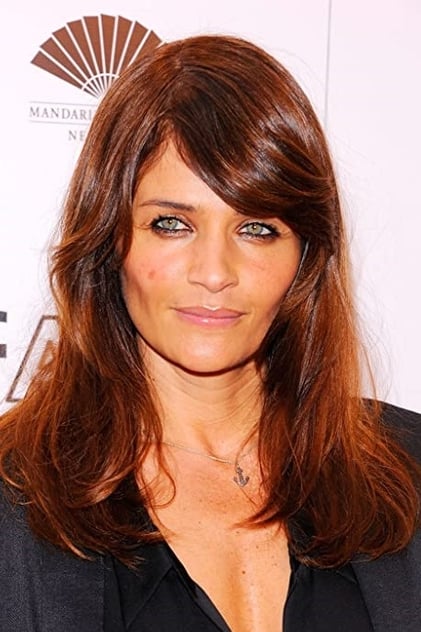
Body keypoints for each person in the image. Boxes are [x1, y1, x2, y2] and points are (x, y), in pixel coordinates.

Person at [0, 34, 420, 632]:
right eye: (171, 224)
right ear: (110, 238)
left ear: (305, 254)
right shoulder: (14, 497)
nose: (215, 272)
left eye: (257, 228)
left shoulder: (408, 470)